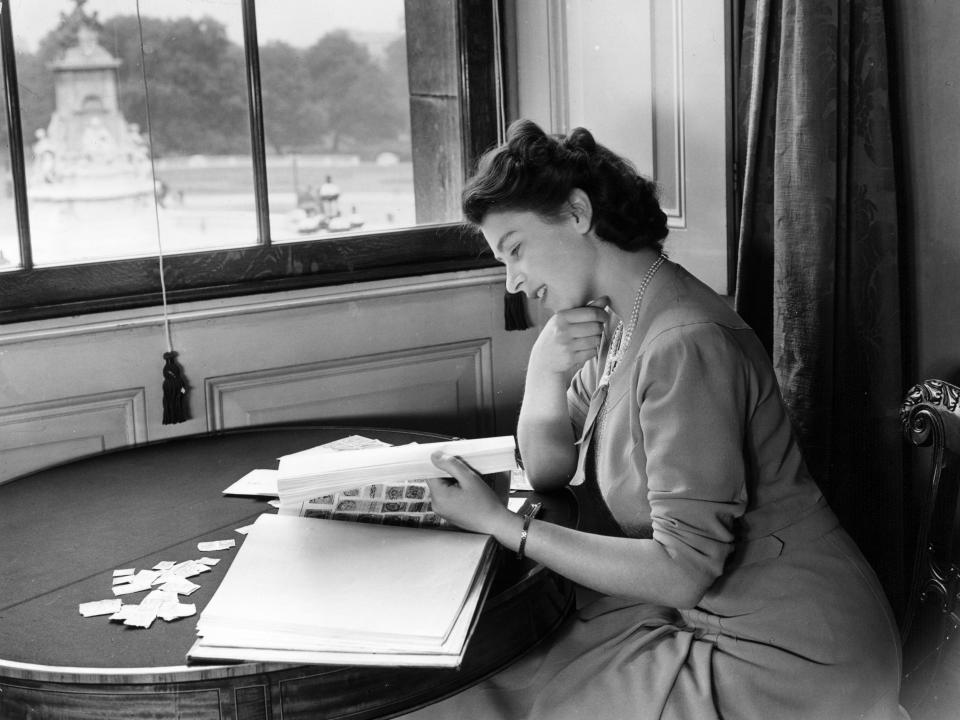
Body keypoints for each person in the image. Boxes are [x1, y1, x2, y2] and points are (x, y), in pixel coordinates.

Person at [412, 119, 903, 719]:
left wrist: (498, 523)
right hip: (711, 615)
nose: (515, 282)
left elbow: (680, 573)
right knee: (486, 689)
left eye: (514, 250)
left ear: (576, 212)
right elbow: (548, 475)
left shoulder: (684, 343)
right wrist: (543, 377)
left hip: (794, 652)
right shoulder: (620, 318)